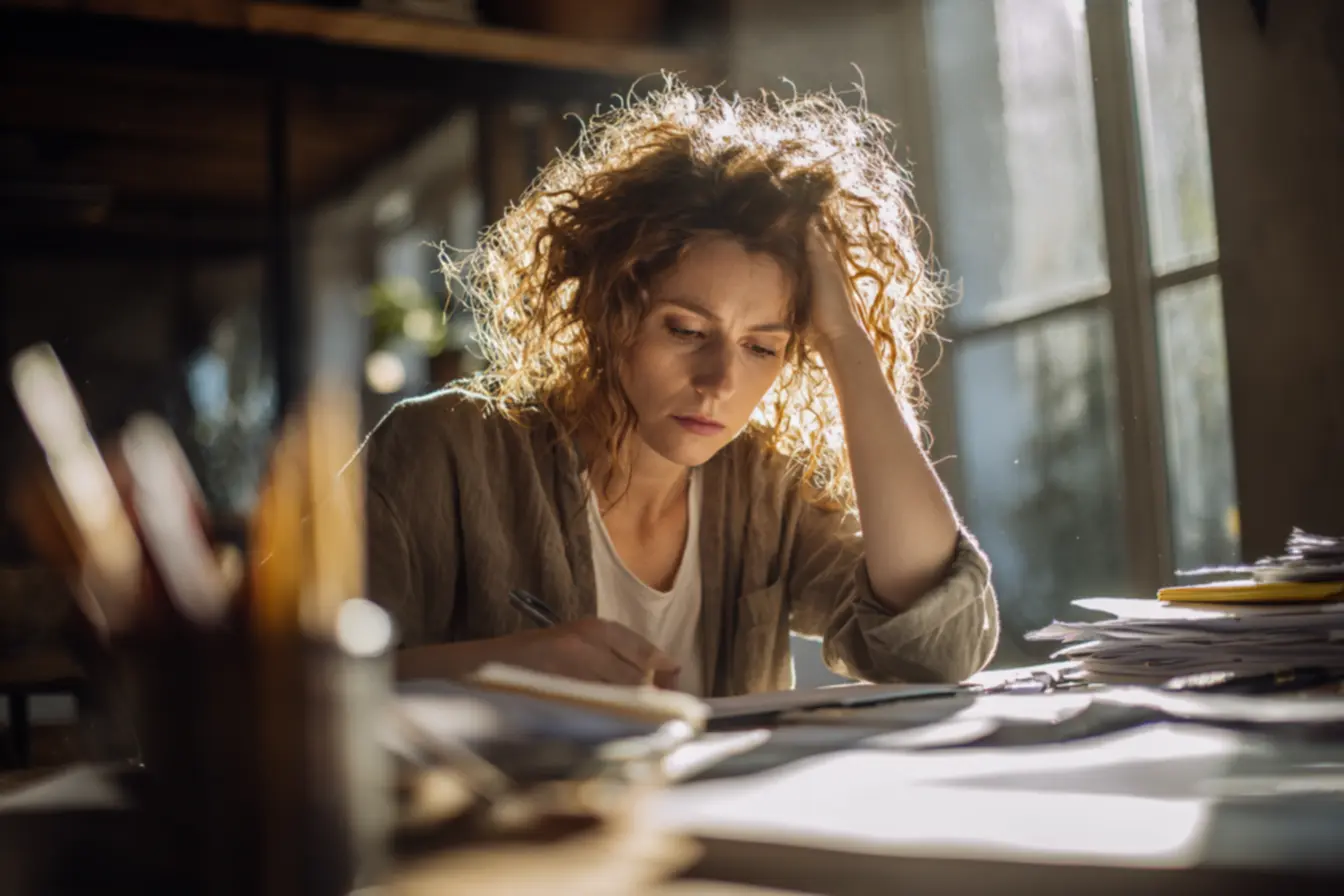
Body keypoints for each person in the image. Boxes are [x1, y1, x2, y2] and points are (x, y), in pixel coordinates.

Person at [360, 79, 999, 697]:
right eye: (687, 330)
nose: (721, 381)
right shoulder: (442, 450)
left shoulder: (766, 488)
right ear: (607, 310)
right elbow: (278, 678)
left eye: (761, 346)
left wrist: (844, 339)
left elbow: (934, 652)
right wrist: (499, 667)